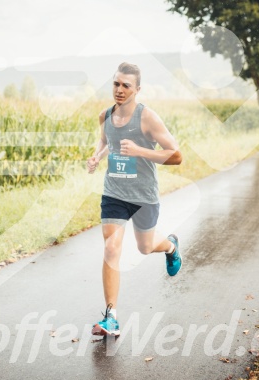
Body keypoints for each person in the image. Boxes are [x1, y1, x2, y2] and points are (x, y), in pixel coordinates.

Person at [86, 62, 183, 337]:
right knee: (111, 248)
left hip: (143, 196)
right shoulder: (105, 115)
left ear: (137, 90)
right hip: (114, 192)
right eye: (116, 83)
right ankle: (111, 317)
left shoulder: (147, 118)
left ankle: (170, 247)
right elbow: (106, 142)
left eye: (126, 85)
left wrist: (141, 150)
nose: (119, 89)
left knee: (144, 246)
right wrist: (97, 156)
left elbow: (176, 155)